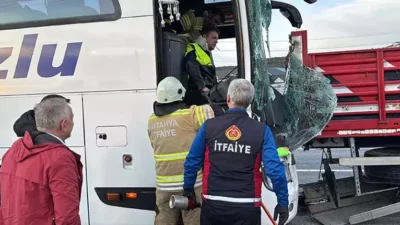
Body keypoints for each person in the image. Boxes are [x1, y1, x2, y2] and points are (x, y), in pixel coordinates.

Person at [183, 79, 289, 225]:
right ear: (250, 102)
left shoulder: (208, 127)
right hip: (247, 207)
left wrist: (188, 189)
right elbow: (275, 170)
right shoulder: (262, 131)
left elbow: (192, 162)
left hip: (213, 205)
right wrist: (283, 202)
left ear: (227, 99)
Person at [147, 76, 223, 225]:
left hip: (164, 186)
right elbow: (217, 113)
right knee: (193, 219)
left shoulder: (151, 121)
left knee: (164, 219)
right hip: (189, 184)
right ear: (180, 93)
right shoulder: (191, 114)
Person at [0, 97, 82, 225]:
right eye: (72, 118)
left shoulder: (13, 150)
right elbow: (67, 217)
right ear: (64, 124)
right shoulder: (60, 158)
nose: (73, 123)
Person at [184, 25, 219, 106]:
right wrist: (202, 86)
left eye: (217, 39)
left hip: (206, 96)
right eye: (214, 38)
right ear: (204, 37)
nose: (216, 41)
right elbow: (190, 64)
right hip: (197, 95)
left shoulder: (207, 52)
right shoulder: (193, 48)